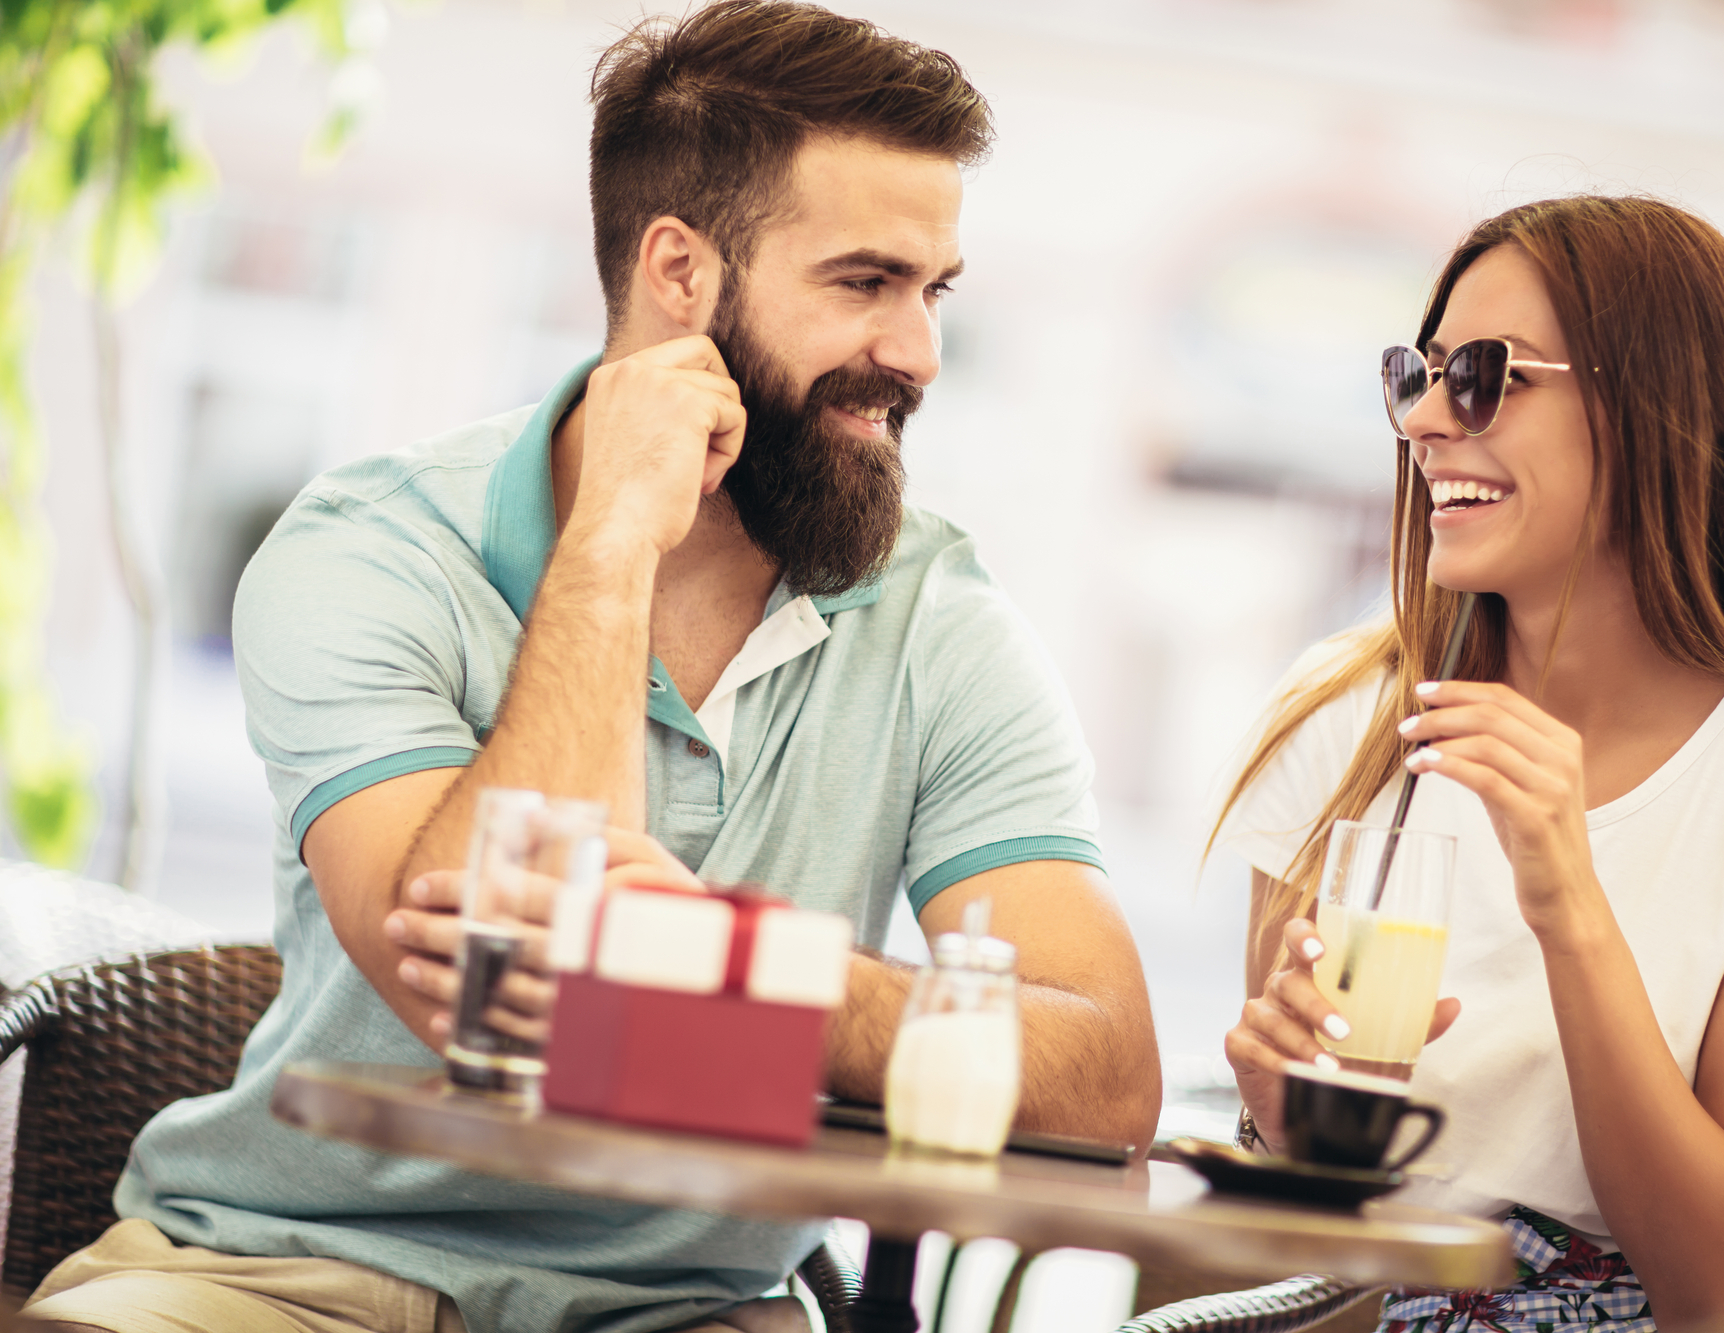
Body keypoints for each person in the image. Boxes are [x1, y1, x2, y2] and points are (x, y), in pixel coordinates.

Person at [19, 4, 1160, 1331]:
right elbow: (490, 994)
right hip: (280, 1270)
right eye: (862, 283)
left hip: (686, 1306)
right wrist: (612, 543)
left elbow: (1103, 1074)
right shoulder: (375, 547)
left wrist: (730, 963)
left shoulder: (936, 616)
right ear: (678, 270)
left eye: (931, 290)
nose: (915, 353)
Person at [1213, 196, 1724, 1333]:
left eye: (1485, 374)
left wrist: (1569, 905)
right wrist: (1288, 1125)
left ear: (1654, 409)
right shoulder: (1350, 722)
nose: (1424, 423)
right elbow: (1297, 1234)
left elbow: (1712, 1286)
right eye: (1418, 372)